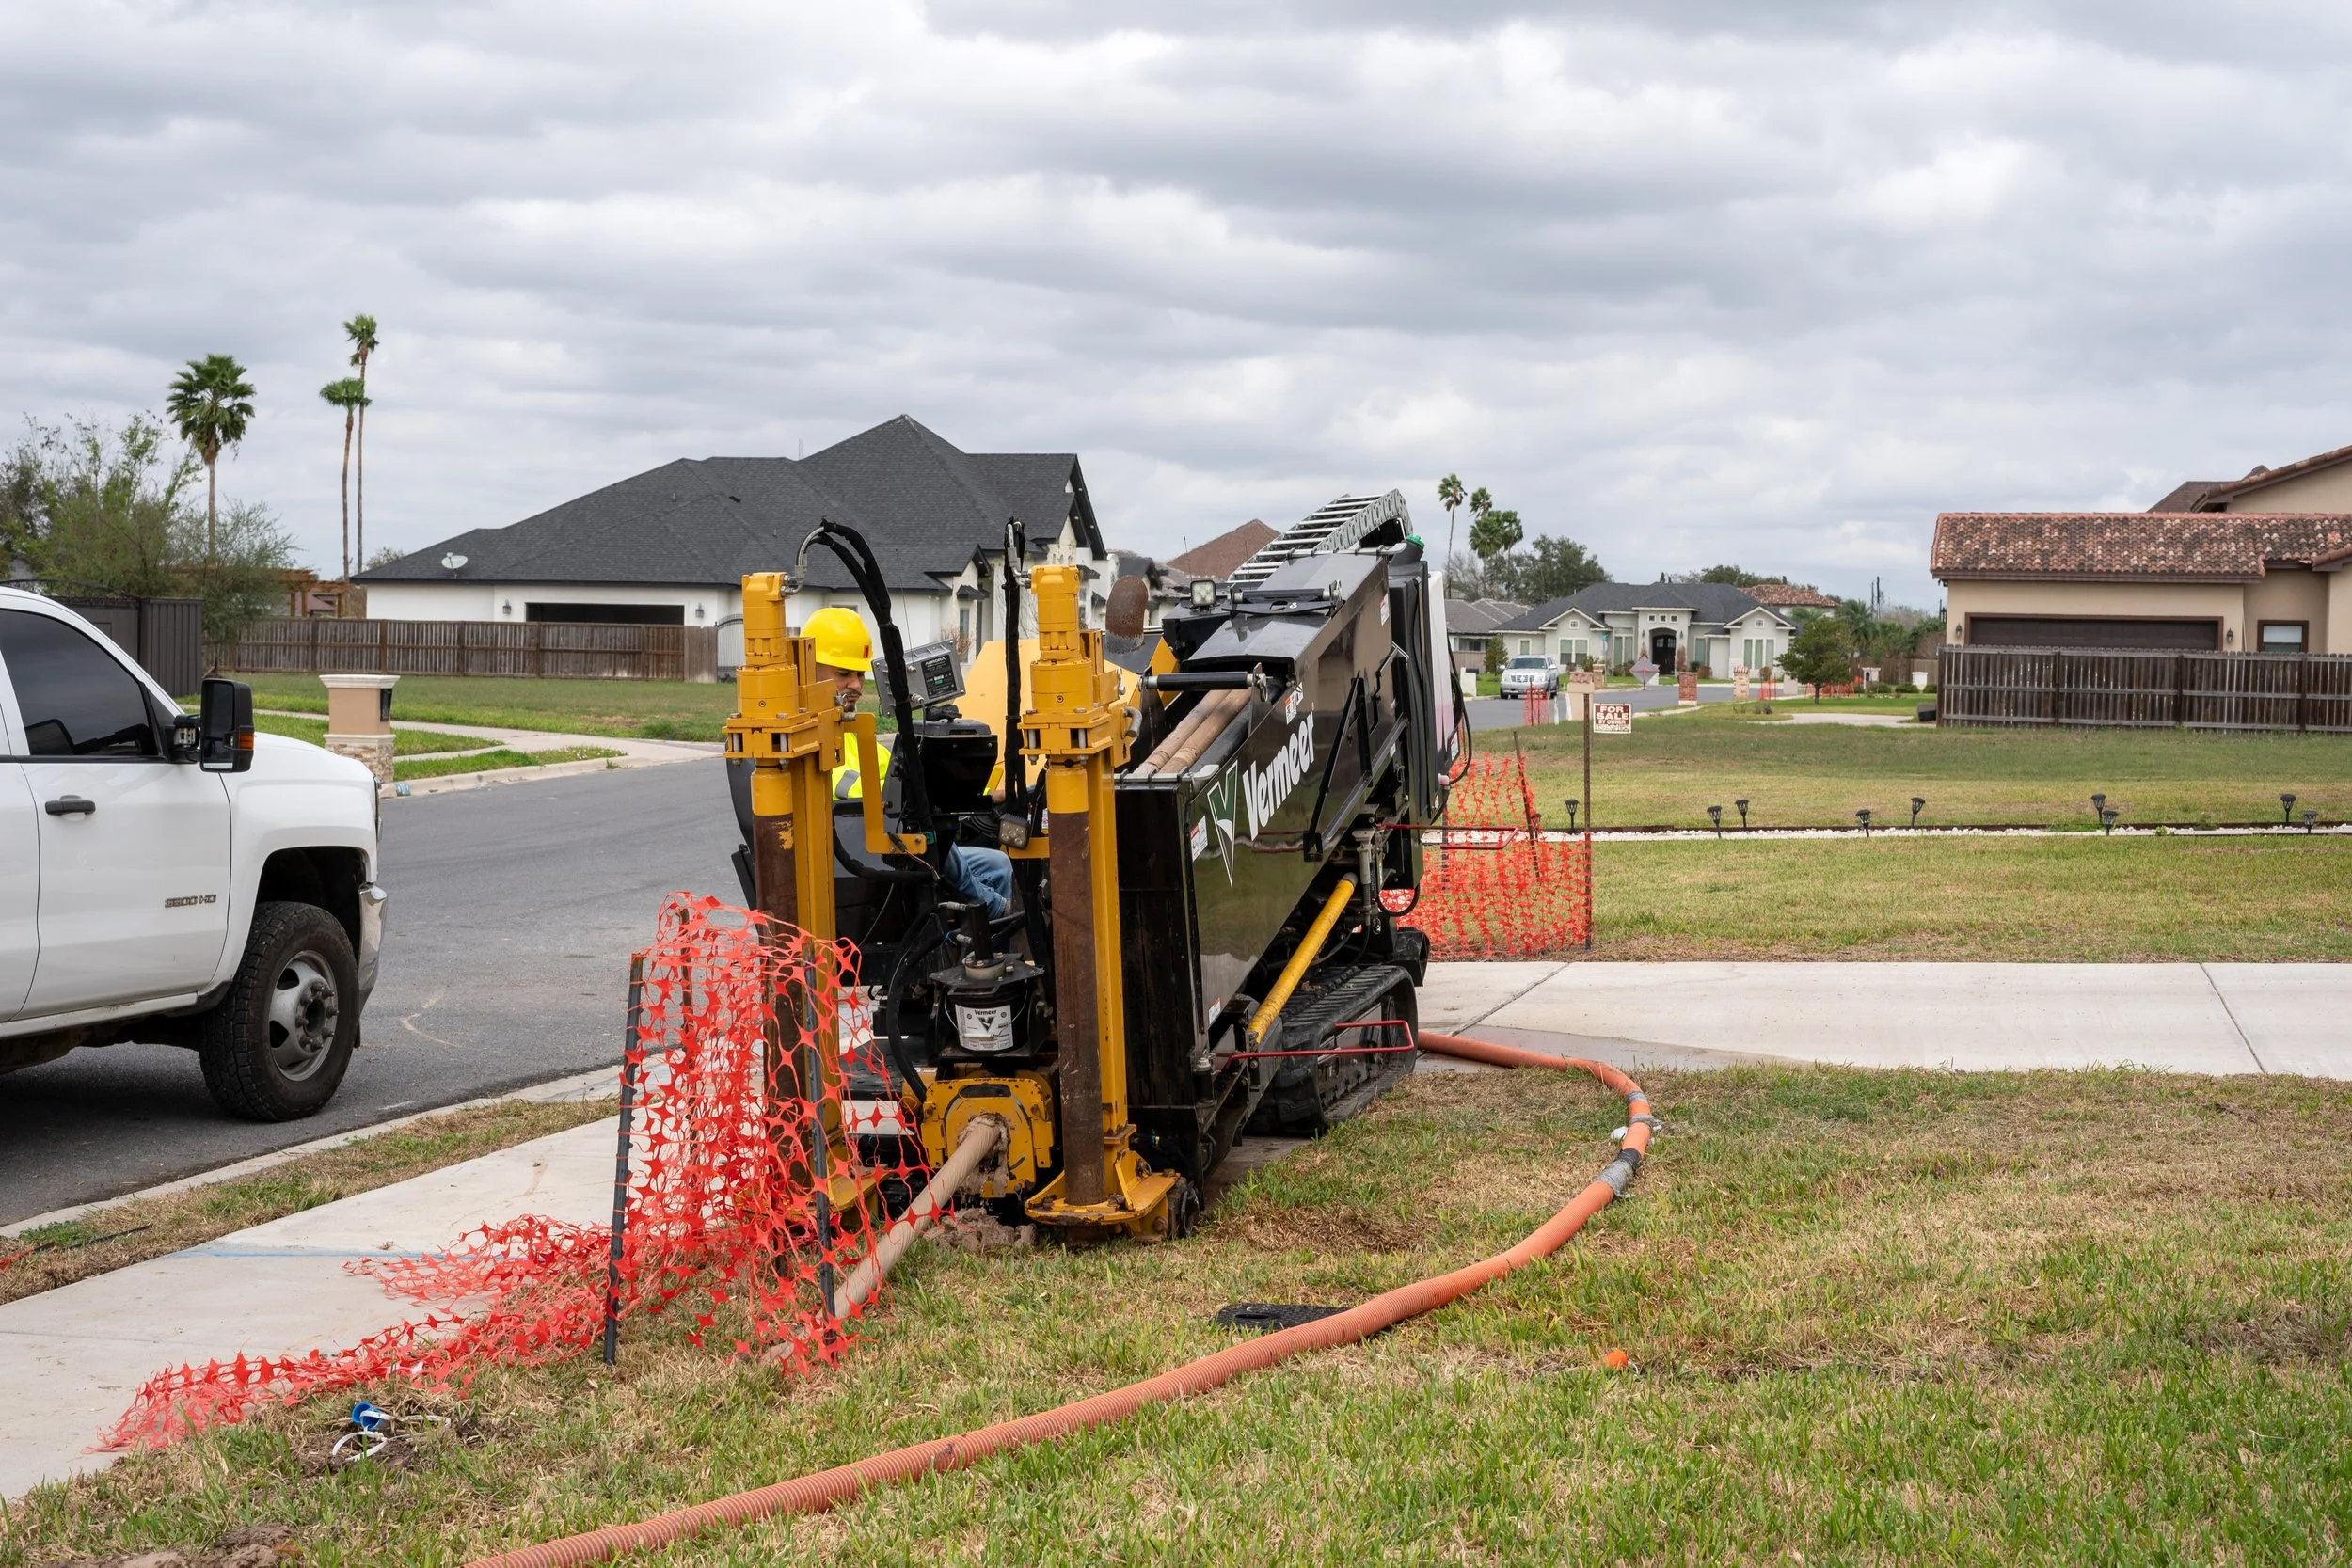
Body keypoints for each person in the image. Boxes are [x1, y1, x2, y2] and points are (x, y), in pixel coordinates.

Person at [803, 607, 1014, 920]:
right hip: (853, 859)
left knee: (998, 865)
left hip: (892, 845)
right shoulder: (804, 739)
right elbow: (855, 792)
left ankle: (980, 950)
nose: (857, 685)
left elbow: (899, 784)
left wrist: (978, 793)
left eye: (860, 674)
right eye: (844, 674)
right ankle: (993, 910)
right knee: (931, 837)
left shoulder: (854, 732)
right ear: (809, 668)